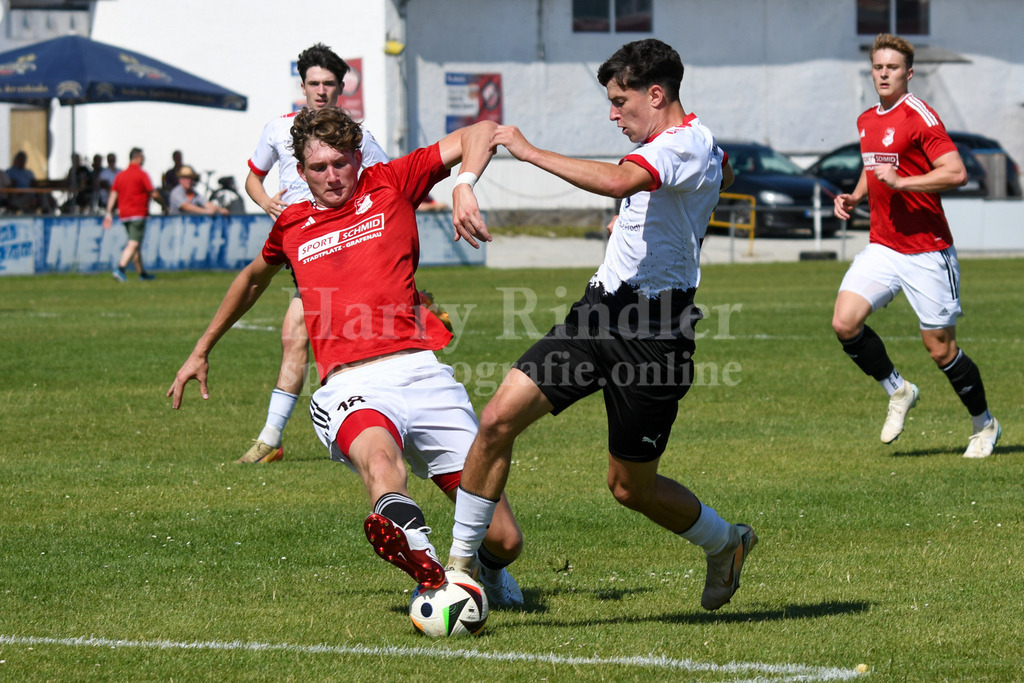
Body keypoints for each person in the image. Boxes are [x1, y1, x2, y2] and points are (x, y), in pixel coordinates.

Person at [168, 106, 524, 606]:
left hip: (421, 371)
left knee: (504, 538)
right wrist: (201, 350)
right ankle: (425, 565)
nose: (331, 176)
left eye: (340, 163)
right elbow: (252, 279)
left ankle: (481, 570)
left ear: (357, 157)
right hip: (352, 385)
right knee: (381, 464)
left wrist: (464, 182)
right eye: (318, 168)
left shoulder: (391, 182)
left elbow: (483, 131)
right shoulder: (291, 224)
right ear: (299, 171)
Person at [445, 39, 754, 613]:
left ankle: (725, 542)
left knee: (628, 488)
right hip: (597, 315)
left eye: (620, 101)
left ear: (655, 95)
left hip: (654, 336)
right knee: (495, 420)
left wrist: (527, 150)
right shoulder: (689, 146)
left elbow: (619, 182)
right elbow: (711, 171)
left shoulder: (683, 144)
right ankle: (460, 568)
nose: (612, 114)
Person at [832, 34, 1001, 459]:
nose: (883, 73)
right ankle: (899, 390)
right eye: (877, 67)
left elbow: (956, 171)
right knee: (844, 323)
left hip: (927, 250)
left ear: (909, 73)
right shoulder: (867, 119)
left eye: (892, 67)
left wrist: (904, 183)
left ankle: (985, 424)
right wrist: (855, 196)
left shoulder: (920, 116)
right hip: (884, 247)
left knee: (940, 348)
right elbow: (875, 168)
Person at [239, 42, 389, 465]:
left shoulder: (357, 138)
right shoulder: (278, 129)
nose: (320, 91)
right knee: (300, 337)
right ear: (301, 86)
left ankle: (281, 437)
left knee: (312, 338)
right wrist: (267, 202)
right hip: (305, 249)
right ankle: (284, 436)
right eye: (313, 83)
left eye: (328, 84)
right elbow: (252, 177)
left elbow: (387, 188)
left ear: (341, 88)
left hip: (349, 250)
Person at [102, 147, 166, 282]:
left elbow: (113, 195)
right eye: (142, 157)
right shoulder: (141, 174)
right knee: (133, 243)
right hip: (138, 213)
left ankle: (142, 273)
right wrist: (164, 205)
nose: (144, 160)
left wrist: (108, 213)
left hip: (124, 215)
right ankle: (121, 268)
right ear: (137, 158)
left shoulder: (120, 175)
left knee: (135, 244)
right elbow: (153, 193)